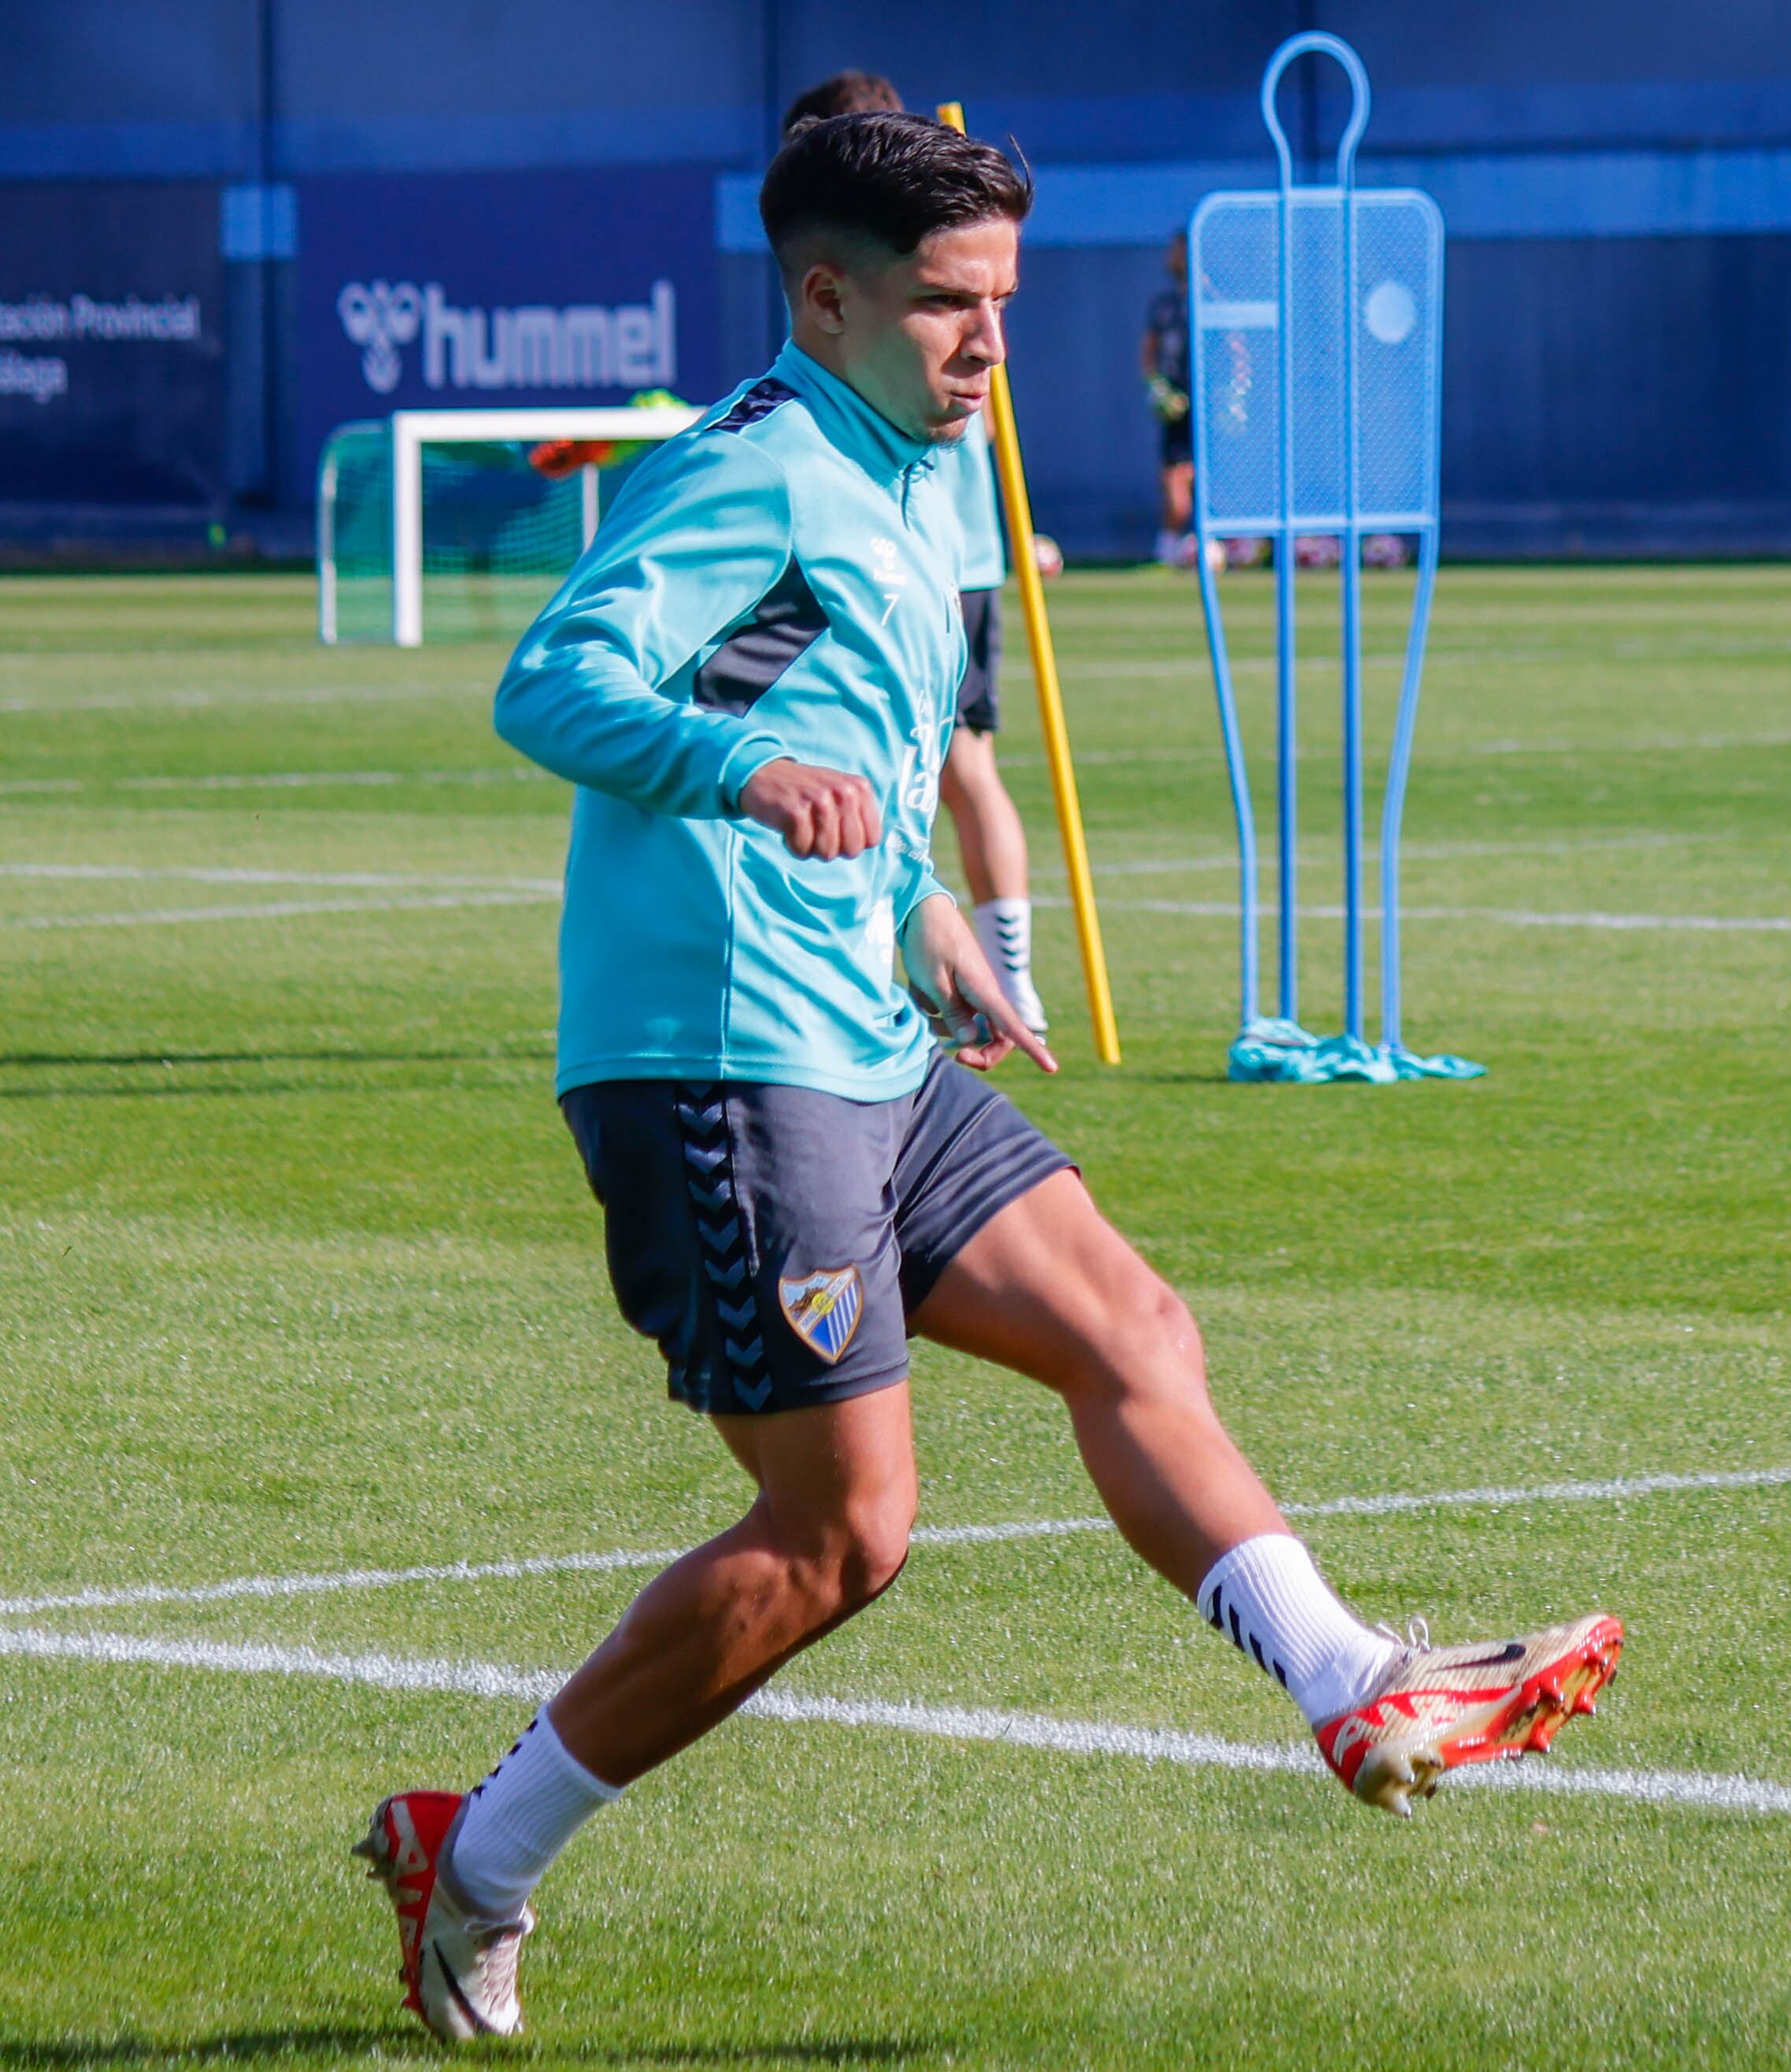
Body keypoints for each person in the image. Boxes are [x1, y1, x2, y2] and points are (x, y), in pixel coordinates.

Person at [353, 113, 1621, 2042]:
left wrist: (923, 906)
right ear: (825, 300)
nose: (992, 345)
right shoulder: (749, 468)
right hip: (723, 1065)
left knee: (1133, 1321)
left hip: (861, 1031)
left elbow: (856, 736)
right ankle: (478, 1856)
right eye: (952, 304)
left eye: (1008, 301)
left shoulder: (926, 476)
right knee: (841, 1535)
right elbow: (552, 680)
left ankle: (1356, 1687)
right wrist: (740, 773)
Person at [779, 68, 1046, 1030]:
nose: (988, 341)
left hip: (942, 565)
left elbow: (971, 426)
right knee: (893, 763)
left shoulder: (918, 284)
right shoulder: (848, 306)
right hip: (889, 554)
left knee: (951, 768)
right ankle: (935, 970)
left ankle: (1005, 977)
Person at [1142, 233, 1197, 568]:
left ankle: (1218, 547)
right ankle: (1167, 550)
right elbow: (1148, 354)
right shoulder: (1164, 305)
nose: (1174, 257)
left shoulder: (1213, 300)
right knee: (1174, 479)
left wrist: (1234, 394)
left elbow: (1237, 349)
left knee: (1204, 481)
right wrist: (1157, 387)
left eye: (1180, 251)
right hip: (1177, 407)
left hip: (1209, 407)